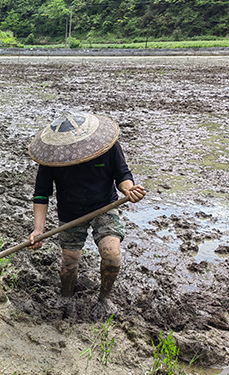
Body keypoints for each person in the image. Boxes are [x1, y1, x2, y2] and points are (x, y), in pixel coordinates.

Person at [27, 111, 146, 315]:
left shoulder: (105, 145)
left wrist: (128, 189)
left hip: (104, 206)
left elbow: (122, 173)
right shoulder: (53, 157)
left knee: (112, 255)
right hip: (71, 212)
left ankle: (104, 298)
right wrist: (38, 230)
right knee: (69, 261)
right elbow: (41, 195)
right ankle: (66, 297)